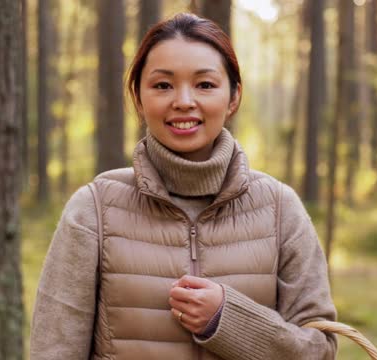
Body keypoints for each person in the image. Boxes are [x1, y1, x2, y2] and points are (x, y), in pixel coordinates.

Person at [30, 13, 337, 360]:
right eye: (163, 85)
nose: (184, 101)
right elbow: (53, 351)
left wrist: (228, 320)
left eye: (205, 84)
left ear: (233, 97)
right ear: (138, 97)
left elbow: (321, 351)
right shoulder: (93, 210)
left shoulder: (280, 208)